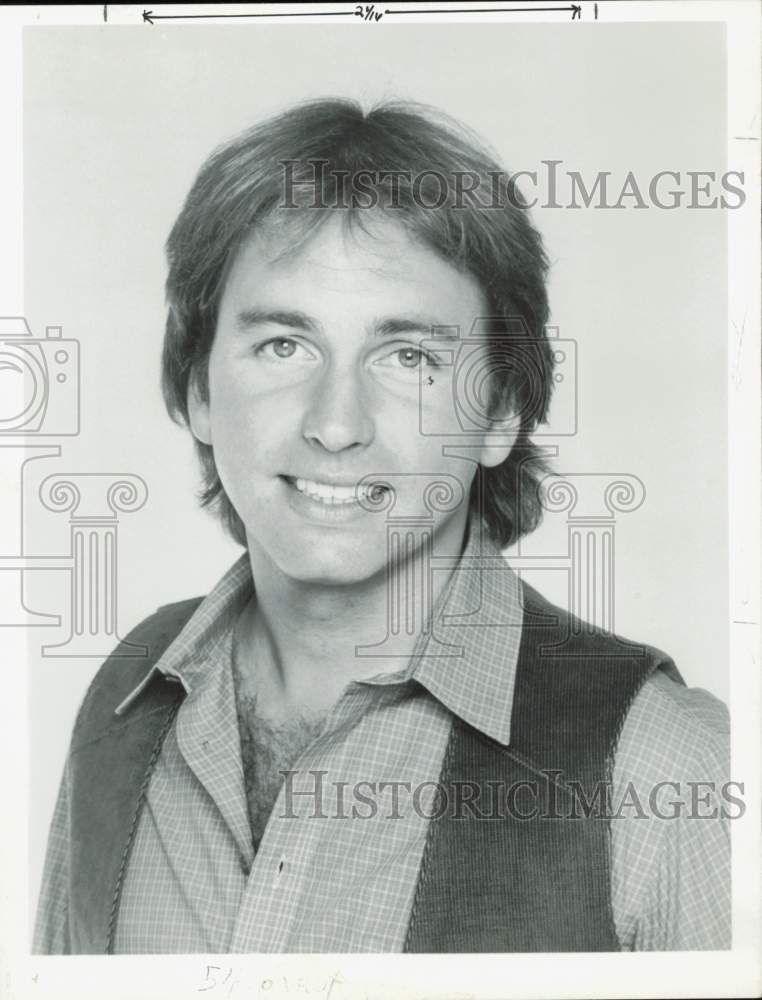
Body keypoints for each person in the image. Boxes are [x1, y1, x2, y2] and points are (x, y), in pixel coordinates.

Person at [34, 99, 730, 954]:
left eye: (410, 358)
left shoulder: (664, 767)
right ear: (198, 391)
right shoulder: (125, 699)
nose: (335, 425)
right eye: (284, 345)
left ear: (502, 412)